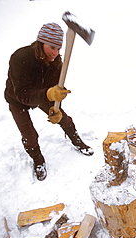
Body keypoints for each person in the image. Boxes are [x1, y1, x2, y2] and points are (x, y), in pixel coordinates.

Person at [5, 23, 93, 181]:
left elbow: (53, 89)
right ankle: (38, 161)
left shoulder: (56, 63)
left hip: (42, 95)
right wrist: (49, 93)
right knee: (30, 136)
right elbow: (22, 94)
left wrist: (56, 106)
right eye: (52, 47)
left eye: (58, 48)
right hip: (18, 100)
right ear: (41, 42)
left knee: (64, 119)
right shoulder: (19, 58)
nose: (55, 53)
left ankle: (77, 141)